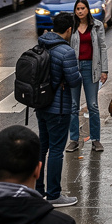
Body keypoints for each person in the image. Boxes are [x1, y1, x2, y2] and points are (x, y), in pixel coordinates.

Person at [35, 12, 82, 207]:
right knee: (56, 150)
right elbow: (74, 80)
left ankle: (38, 190)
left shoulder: (41, 44)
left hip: (41, 105)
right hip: (59, 108)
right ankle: (54, 194)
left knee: (42, 148)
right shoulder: (66, 51)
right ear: (69, 29)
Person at [66, 0, 107, 154]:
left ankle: (96, 139)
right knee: (73, 106)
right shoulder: (72, 27)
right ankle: (74, 140)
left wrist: (104, 70)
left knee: (93, 105)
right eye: (78, 9)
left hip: (91, 67)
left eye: (83, 8)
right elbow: (66, 47)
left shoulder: (96, 26)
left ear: (87, 9)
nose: (80, 11)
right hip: (74, 68)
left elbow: (103, 47)